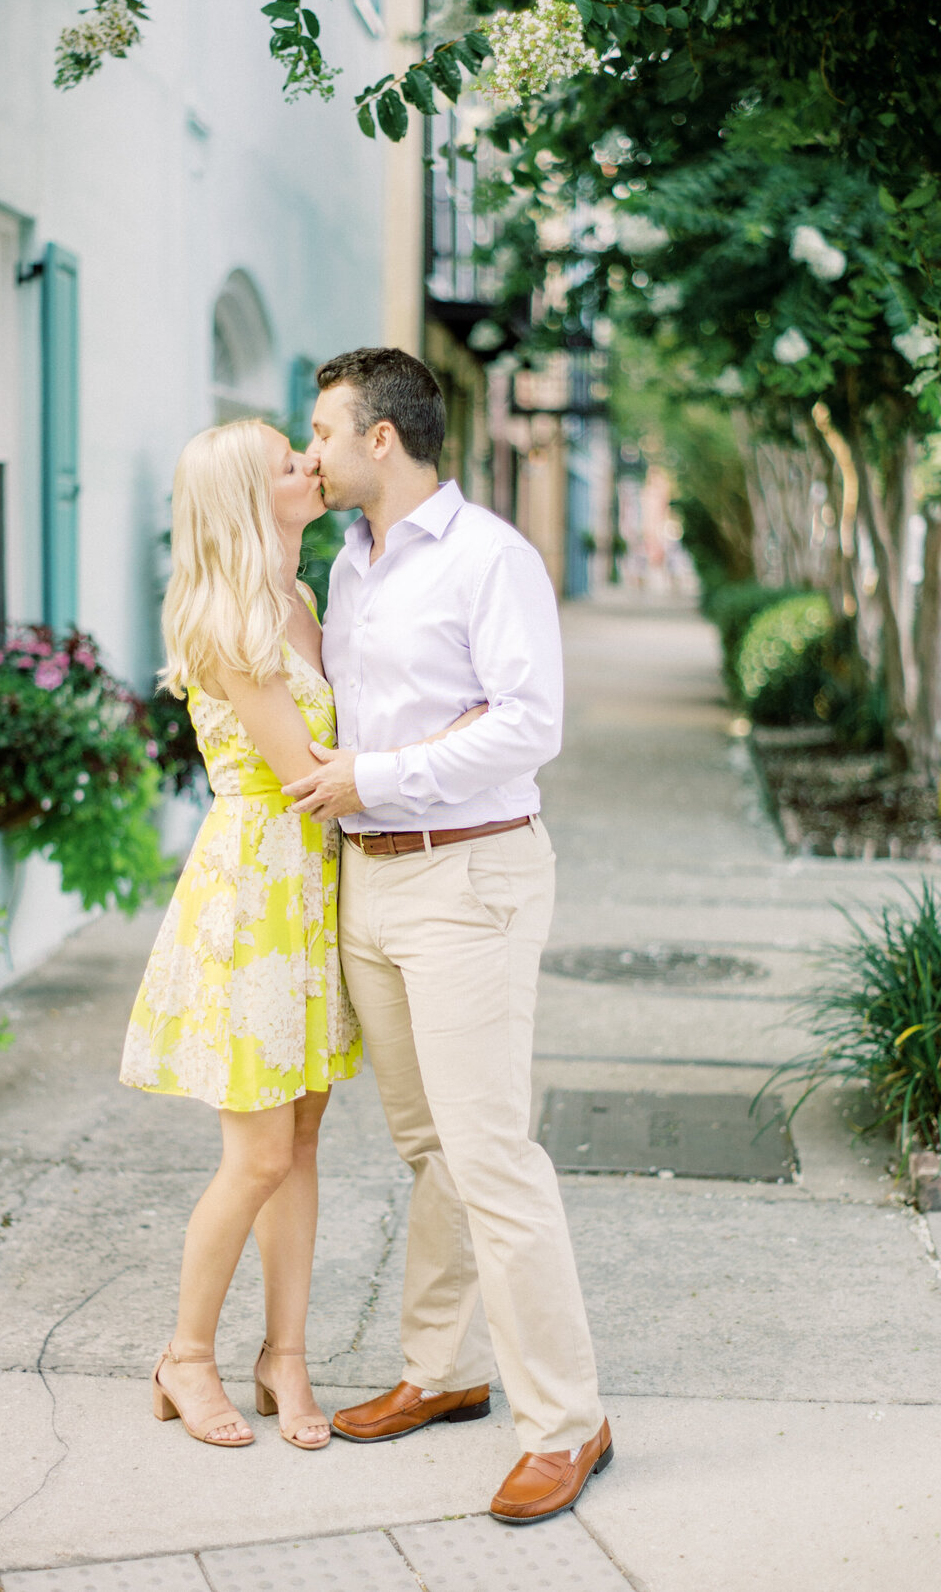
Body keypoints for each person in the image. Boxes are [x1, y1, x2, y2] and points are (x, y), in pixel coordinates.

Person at [283, 348, 612, 1523]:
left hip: (470, 879)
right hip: (371, 884)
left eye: (320, 429)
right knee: (430, 1150)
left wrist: (380, 773)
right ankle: (444, 1371)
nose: (303, 450)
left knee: (492, 1159)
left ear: (383, 438)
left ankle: (567, 1422)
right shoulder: (349, 560)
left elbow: (527, 726)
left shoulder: (491, 558)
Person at [121, 418, 481, 1453]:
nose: (308, 466)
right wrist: (451, 742)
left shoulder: (300, 598)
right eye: (288, 462)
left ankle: (285, 1355)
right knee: (258, 1152)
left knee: (305, 1137)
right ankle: (185, 1356)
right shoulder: (229, 618)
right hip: (256, 898)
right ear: (249, 497)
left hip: (312, 891)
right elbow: (308, 772)